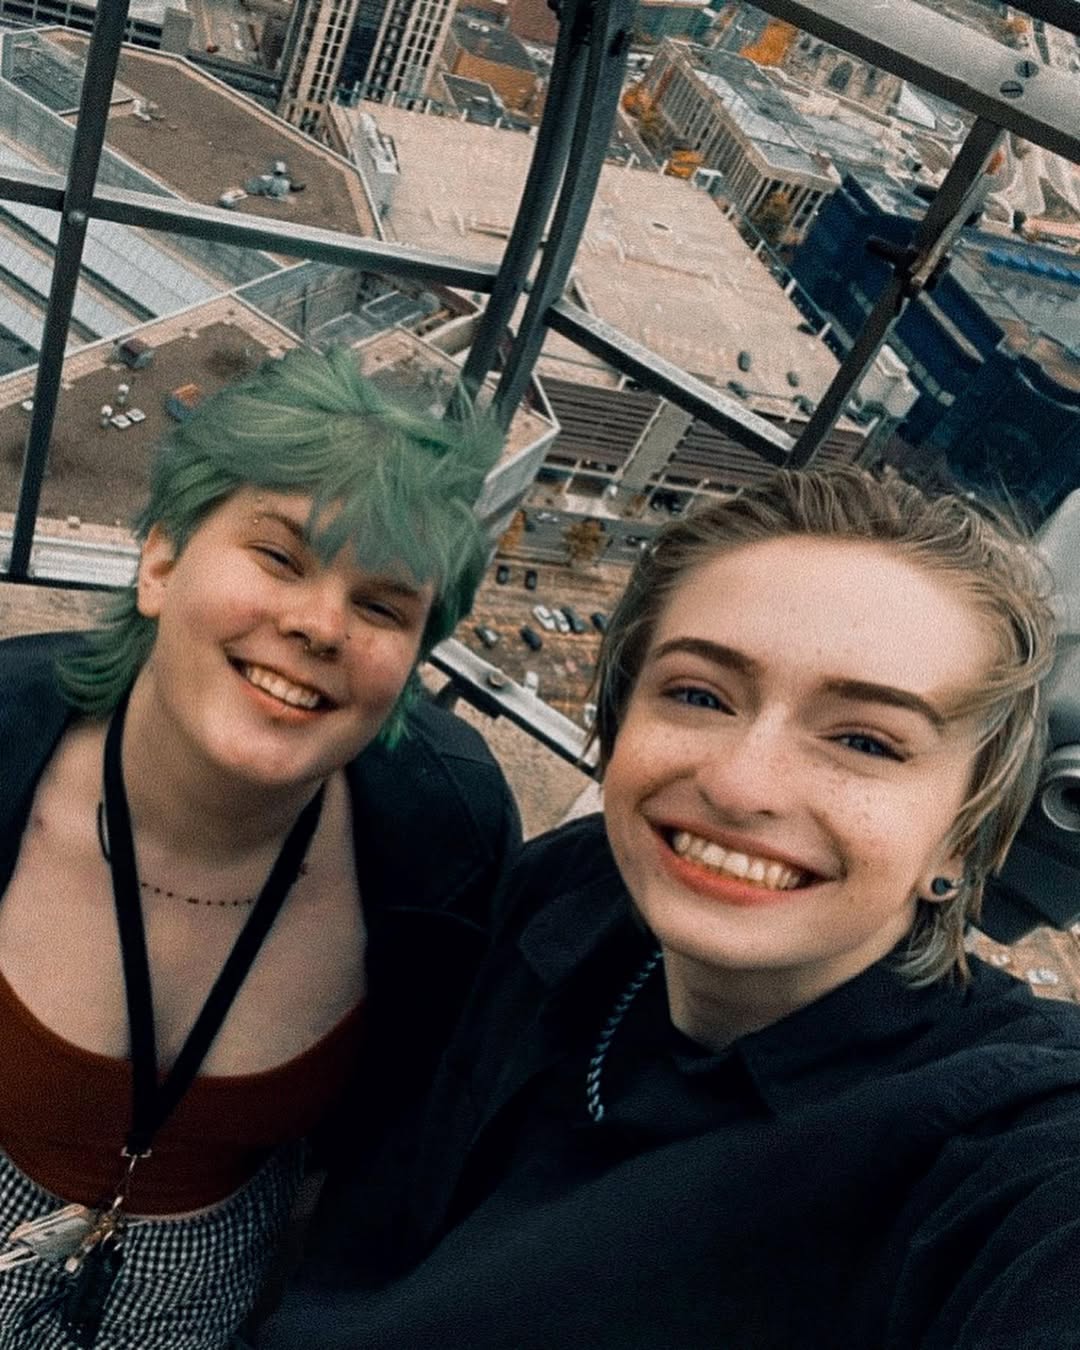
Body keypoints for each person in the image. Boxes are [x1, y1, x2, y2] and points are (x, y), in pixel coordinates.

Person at [260, 465, 1080, 1349]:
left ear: (963, 834)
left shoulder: (997, 1154)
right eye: (698, 695)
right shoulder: (574, 891)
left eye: (865, 741)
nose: (739, 783)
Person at [0, 344, 521, 1349]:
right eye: (280, 556)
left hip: (214, 1288)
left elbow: (403, 1133)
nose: (322, 623)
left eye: (382, 604)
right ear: (160, 562)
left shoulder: (441, 843)